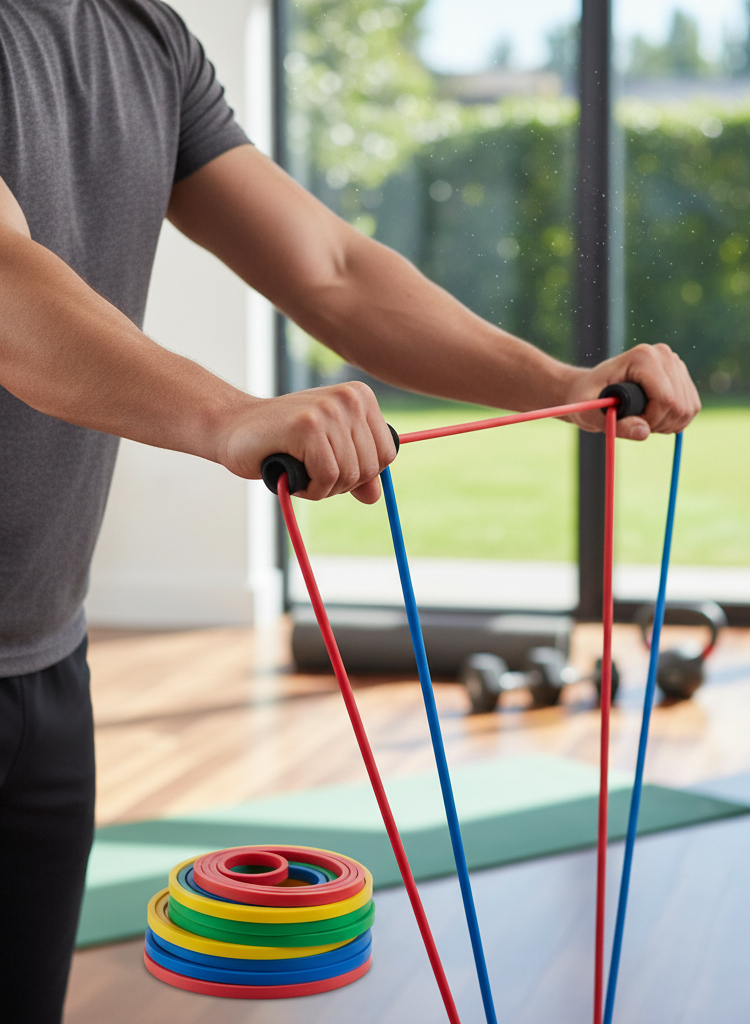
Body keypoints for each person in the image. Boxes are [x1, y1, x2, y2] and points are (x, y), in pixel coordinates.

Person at [0, 0, 701, 1020]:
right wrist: (232, 416)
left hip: (44, 662)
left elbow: (330, 269)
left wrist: (559, 382)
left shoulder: (143, 38)